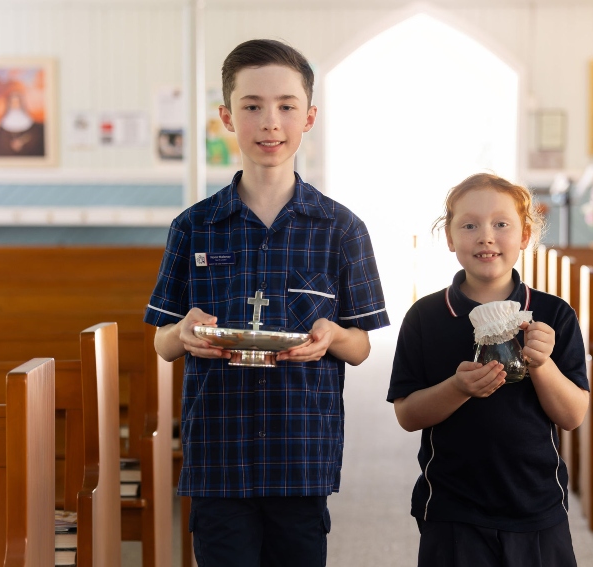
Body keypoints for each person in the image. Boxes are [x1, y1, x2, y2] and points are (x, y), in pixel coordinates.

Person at [144, 38, 389, 567]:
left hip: (300, 451)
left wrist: (329, 335)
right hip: (218, 452)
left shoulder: (342, 229)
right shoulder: (192, 227)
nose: (269, 122)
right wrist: (182, 333)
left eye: (286, 106)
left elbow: (361, 346)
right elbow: (163, 343)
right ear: (227, 117)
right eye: (252, 106)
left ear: (310, 117)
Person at [387, 173, 589, 567]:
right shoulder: (425, 317)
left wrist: (542, 364)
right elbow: (408, 415)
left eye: (501, 223)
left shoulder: (553, 314)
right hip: (452, 506)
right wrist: (458, 389)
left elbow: (572, 414)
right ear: (449, 237)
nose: (486, 236)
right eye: (469, 225)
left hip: (536, 504)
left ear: (525, 235)